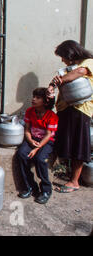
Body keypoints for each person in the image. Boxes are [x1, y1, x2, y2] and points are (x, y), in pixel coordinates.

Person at [47, 40, 93, 193]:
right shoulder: (68, 69)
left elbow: (80, 73)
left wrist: (57, 82)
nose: (62, 60)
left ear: (70, 54)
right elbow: (60, 79)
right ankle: (59, 174)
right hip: (66, 108)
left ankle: (74, 182)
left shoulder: (88, 63)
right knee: (64, 142)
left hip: (81, 109)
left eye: (63, 56)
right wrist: (52, 86)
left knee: (78, 145)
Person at [16, 87, 58, 204]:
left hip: (47, 141)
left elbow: (48, 135)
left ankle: (46, 190)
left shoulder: (52, 116)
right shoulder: (30, 111)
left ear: (45, 102)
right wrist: (30, 141)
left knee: (40, 159)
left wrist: (36, 148)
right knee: (21, 154)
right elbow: (27, 130)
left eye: (38, 98)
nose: (33, 99)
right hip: (33, 139)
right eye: (34, 96)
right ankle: (30, 186)